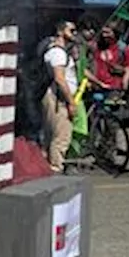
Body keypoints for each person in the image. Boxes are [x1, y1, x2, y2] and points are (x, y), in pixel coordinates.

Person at [42, 20, 78, 174]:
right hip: (59, 99)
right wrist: (71, 102)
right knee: (61, 137)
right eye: (72, 30)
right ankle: (55, 169)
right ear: (61, 32)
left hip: (57, 98)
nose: (75, 33)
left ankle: (48, 167)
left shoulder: (59, 51)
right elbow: (60, 78)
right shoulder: (57, 53)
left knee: (51, 136)